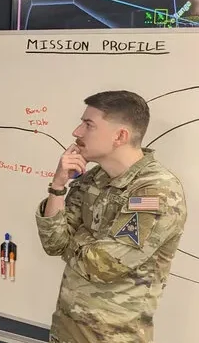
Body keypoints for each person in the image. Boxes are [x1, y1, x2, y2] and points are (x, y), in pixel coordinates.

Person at [35, 90, 187, 343]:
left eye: (88, 125)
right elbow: (54, 243)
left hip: (113, 337)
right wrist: (58, 186)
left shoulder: (155, 191)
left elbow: (102, 266)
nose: (77, 132)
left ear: (120, 136)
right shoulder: (93, 178)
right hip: (67, 329)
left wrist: (80, 236)